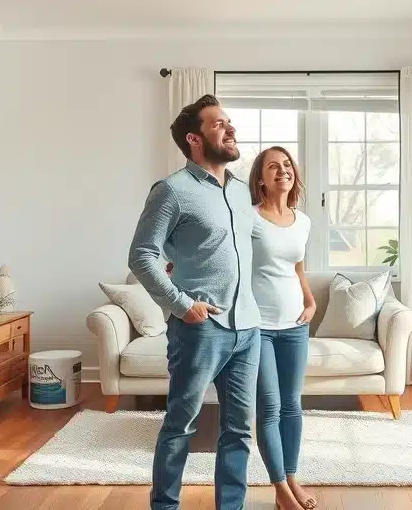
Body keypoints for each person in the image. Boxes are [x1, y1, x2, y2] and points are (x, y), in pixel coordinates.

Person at [129, 94, 262, 510]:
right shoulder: (172, 190)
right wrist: (182, 304)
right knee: (181, 424)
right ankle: (165, 506)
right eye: (219, 124)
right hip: (199, 328)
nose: (231, 129)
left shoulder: (241, 193)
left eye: (229, 122)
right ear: (194, 138)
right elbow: (142, 255)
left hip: (248, 327)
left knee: (239, 430)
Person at [247, 146, 318, 510]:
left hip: (294, 325)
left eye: (286, 165)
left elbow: (298, 269)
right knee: (270, 406)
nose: (282, 171)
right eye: (272, 167)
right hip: (257, 327)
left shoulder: (303, 221)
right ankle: (279, 489)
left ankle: (292, 478)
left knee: (292, 406)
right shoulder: (249, 218)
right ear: (260, 178)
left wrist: (311, 301)